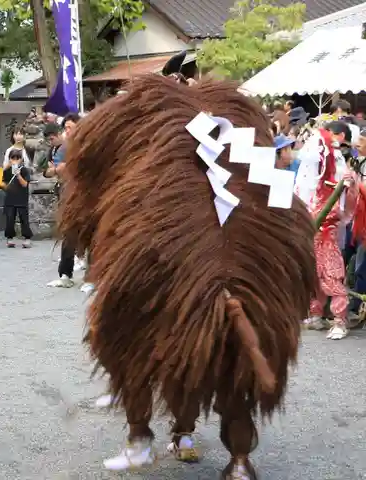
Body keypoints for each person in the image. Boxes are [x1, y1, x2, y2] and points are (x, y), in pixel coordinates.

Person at [59, 74, 317, 478]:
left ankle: (148, 438)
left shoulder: (147, 141)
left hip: (212, 261)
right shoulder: (231, 140)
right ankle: (211, 448)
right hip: (194, 260)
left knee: (137, 335)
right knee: (163, 336)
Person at [295, 120, 359, 340]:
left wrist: (345, 185)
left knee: (330, 273)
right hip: (313, 224)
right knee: (314, 272)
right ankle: (315, 313)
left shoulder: (340, 174)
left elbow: (345, 207)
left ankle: (340, 318)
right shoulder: (318, 182)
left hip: (325, 227)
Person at [46, 113, 82, 289]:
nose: (67, 130)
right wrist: (55, 170)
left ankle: (93, 277)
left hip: (86, 193)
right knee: (68, 233)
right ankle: (65, 274)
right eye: (65, 127)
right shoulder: (62, 148)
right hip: (67, 193)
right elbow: (51, 169)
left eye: (70, 127)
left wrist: (64, 168)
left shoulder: (88, 144)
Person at [2, 148, 33, 248]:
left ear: (22, 159)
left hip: (22, 199)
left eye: (18, 158)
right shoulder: (6, 170)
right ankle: (9, 238)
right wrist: (5, 168)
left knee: (24, 219)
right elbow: (1, 182)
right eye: (13, 158)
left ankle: (27, 238)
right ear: (9, 159)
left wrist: (18, 175)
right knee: (10, 219)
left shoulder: (25, 170)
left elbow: (25, 184)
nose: (15, 160)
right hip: (10, 198)